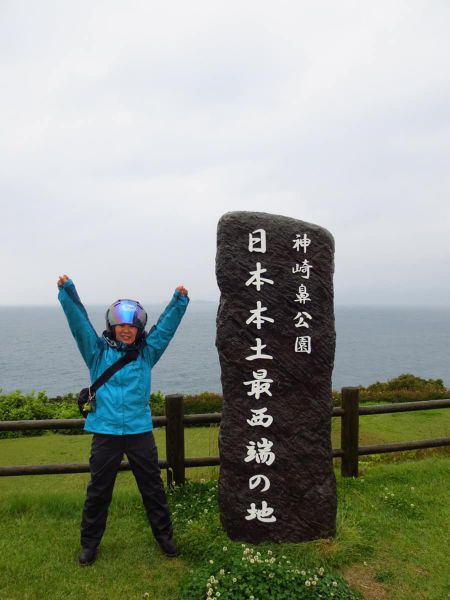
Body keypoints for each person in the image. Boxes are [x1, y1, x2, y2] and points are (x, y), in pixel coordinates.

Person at [57, 274, 189, 566]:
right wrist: (67, 291)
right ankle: (89, 544)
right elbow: (79, 324)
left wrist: (178, 301)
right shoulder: (96, 353)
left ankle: (165, 537)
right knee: (98, 491)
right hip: (105, 432)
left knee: (152, 488)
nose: (126, 331)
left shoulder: (146, 354)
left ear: (138, 329)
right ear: (112, 328)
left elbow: (164, 330)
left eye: (132, 326)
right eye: (121, 326)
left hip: (139, 431)